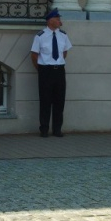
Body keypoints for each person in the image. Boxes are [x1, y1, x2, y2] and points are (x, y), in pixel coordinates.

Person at [30, 8, 72, 137]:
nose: (60, 21)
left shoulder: (63, 35)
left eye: (59, 19)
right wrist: (41, 68)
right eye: (57, 19)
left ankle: (57, 129)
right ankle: (44, 129)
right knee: (45, 100)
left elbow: (64, 52)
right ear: (50, 20)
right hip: (45, 70)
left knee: (59, 101)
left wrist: (57, 63)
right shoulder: (40, 36)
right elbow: (34, 54)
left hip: (59, 70)